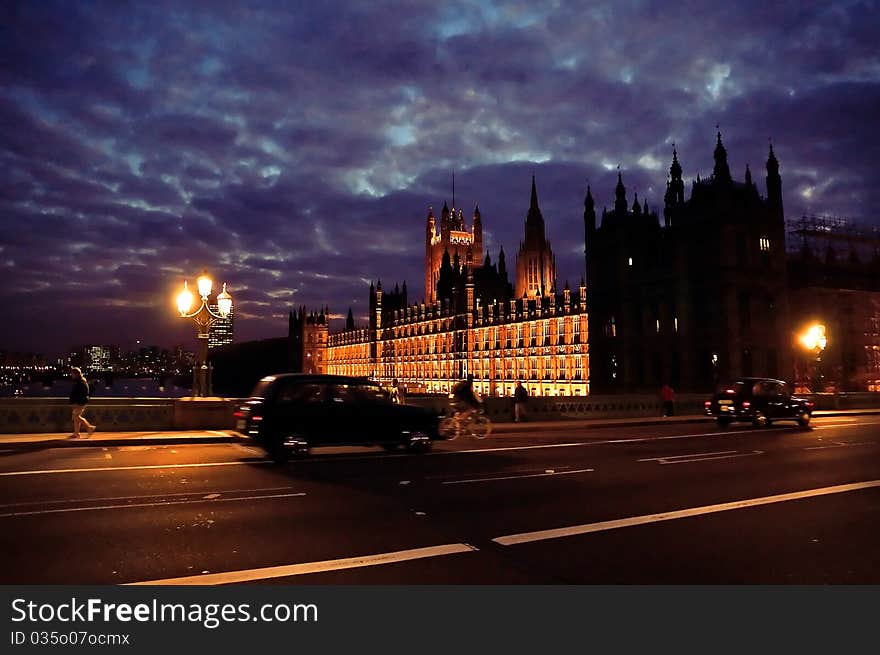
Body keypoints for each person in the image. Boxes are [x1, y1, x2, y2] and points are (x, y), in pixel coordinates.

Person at [69, 367, 96, 438]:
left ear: (76, 374)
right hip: (79, 402)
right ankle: (76, 433)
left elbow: (79, 394)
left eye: (72, 374)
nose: (71, 375)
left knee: (76, 417)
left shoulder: (80, 382)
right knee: (76, 418)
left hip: (79, 403)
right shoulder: (80, 381)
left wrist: (75, 402)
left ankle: (89, 427)